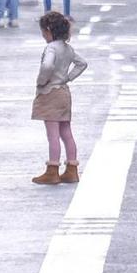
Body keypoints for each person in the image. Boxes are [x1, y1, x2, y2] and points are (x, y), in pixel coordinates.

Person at [30, 10, 88, 185]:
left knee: (52, 134)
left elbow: (47, 65)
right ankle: (72, 169)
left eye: (43, 32)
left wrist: (42, 80)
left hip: (50, 92)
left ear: (48, 30)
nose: (43, 36)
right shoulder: (68, 48)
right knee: (66, 132)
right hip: (64, 92)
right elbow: (82, 63)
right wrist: (68, 78)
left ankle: (52, 170)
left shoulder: (51, 48)